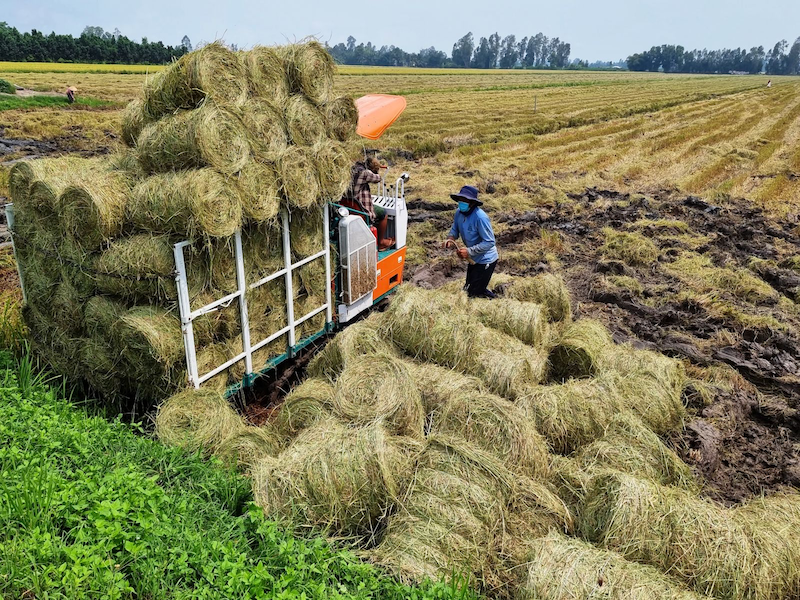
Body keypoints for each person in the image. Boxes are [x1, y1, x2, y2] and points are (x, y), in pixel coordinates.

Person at [444, 185, 498, 299]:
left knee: (476, 292)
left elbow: (489, 242)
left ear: (472, 202)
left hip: (485, 259)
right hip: (473, 258)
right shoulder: (459, 213)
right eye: (460, 200)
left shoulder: (480, 218)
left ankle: (495, 302)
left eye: (465, 200)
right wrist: (451, 238)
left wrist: (469, 251)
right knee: (469, 288)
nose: (462, 202)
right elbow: (455, 229)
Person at [344, 156, 394, 250]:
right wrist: (377, 168)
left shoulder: (350, 171)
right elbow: (378, 178)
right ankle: (381, 242)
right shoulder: (364, 173)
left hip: (348, 208)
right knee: (383, 213)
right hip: (362, 209)